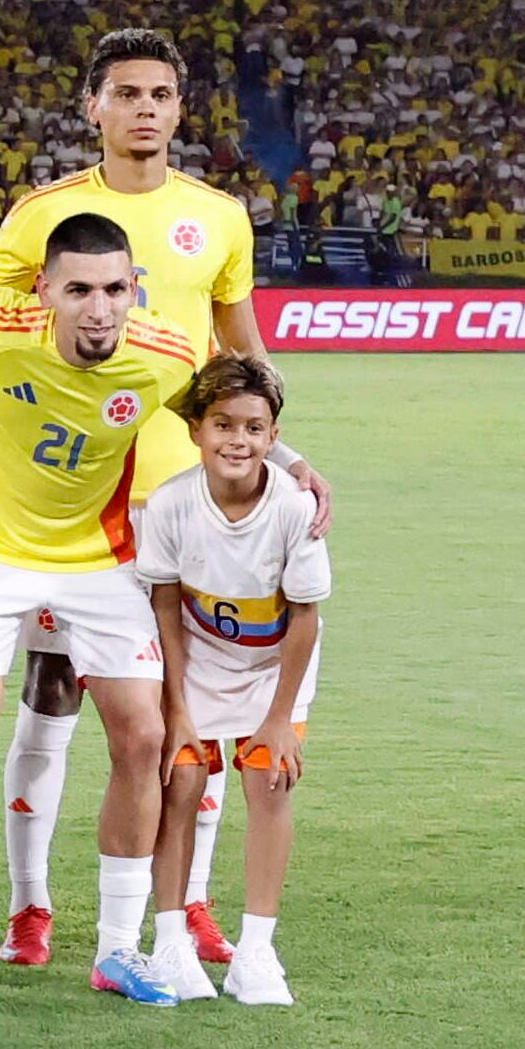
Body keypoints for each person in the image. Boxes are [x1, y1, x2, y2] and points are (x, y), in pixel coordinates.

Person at [0, 28, 330, 974]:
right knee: (47, 700)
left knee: (186, 715)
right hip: (72, 499)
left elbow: (237, 358)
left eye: (161, 93)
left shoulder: (220, 217)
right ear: (94, 107)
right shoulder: (44, 212)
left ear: (180, 107)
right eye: (126, 93)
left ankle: (188, 899)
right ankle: (30, 905)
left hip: (185, 505)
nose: (146, 110)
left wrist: (282, 454)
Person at [0, 212, 199, 1007]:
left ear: (135, 288)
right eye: (78, 290)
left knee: (144, 735)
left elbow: (228, 409)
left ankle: (116, 949)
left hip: (99, 563)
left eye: (114, 289)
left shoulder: (164, 350)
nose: (98, 308)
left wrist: (295, 465)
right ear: (45, 292)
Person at [143, 356, 329, 1007]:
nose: (237, 440)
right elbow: (164, 604)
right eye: (222, 423)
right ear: (196, 429)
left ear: (274, 438)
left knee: (267, 776)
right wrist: (176, 706)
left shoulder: (294, 508)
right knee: (182, 775)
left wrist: (279, 717)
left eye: (254, 427)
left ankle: (256, 949)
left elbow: (305, 616)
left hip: (276, 664)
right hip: (197, 657)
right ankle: (169, 939)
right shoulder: (169, 505)